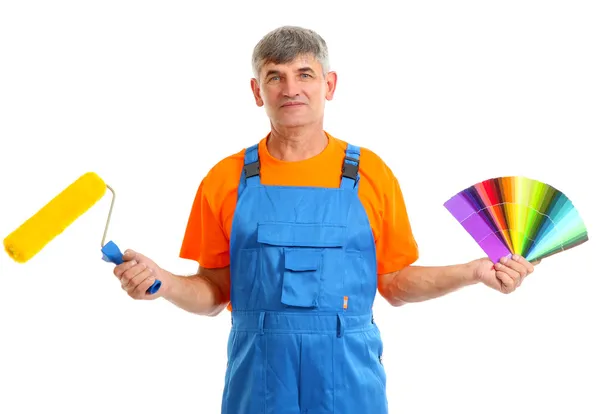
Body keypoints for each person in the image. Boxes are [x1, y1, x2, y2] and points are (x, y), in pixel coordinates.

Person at [112, 25, 538, 414]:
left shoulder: (371, 174)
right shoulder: (225, 179)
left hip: (349, 378)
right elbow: (214, 293)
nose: (290, 88)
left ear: (329, 84)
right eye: (275, 76)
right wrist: (162, 283)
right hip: (258, 382)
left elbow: (394, 284)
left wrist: (474, 271)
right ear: (257, 91)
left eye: (304, 73)